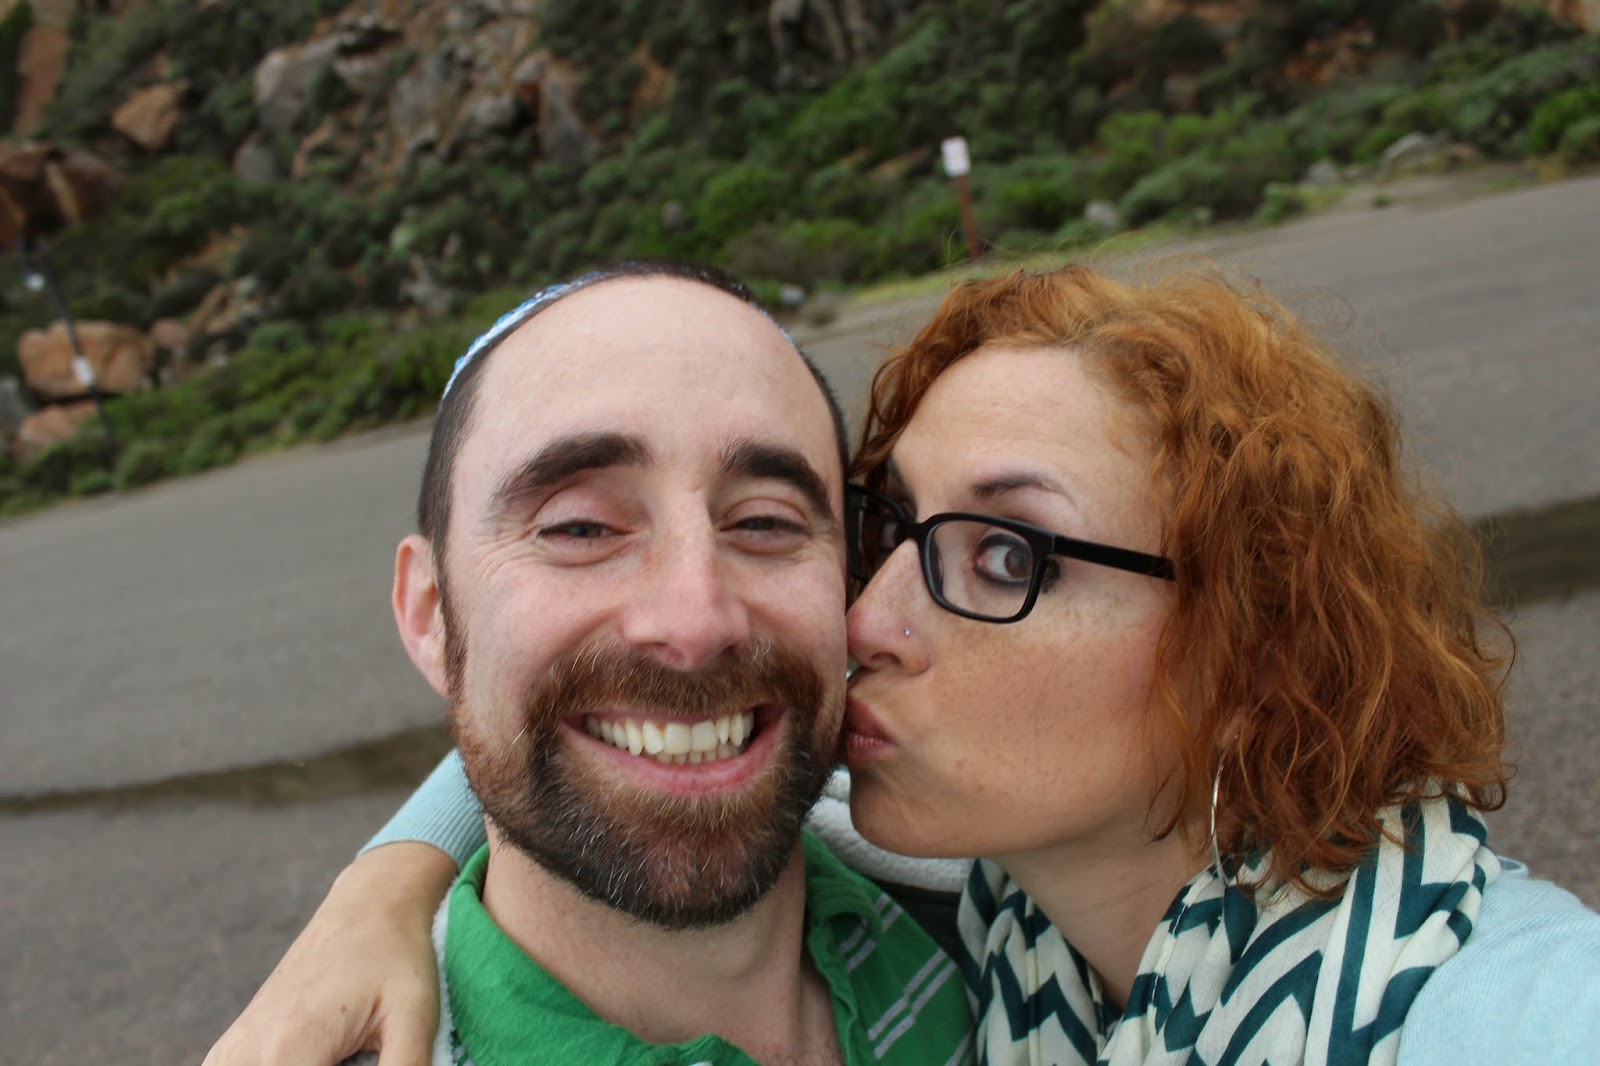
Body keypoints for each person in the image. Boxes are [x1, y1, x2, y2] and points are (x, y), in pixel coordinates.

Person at [209, 263, 1600, 1066]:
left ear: (1251, 648)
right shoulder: (1002, 922)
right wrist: (383, 884)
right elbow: (589, 721)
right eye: (579, 526)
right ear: (428, 610)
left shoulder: (1497, 1008)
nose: (866, 619)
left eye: (1004, 555)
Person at [218, 261, 974, 1066]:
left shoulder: (1000, 895)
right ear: (432, 614)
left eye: (764, 522)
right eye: (579, 528)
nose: (696, 622)